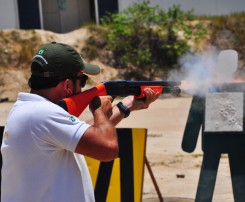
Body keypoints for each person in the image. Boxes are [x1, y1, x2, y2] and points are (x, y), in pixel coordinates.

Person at [1, 42, 160, 202]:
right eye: (82, 81)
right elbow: (108, 149)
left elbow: (87, 135)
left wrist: (126, 106)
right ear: (68, 85)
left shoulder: (30, 110)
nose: (83, 87)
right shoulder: (42, 113)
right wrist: (98, 109)